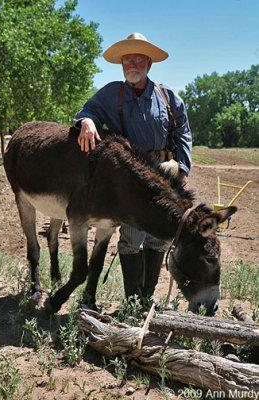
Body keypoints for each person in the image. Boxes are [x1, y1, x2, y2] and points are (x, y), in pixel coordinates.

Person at [73, 33, 192, 307]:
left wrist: (182, 171)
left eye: (139, 59)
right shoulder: (111, 92)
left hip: (164, 172)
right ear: (122, 64)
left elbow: (183, 134)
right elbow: (87, 110)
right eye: (128, 59)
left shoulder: (168, 97)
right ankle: (132, 301)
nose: (133, 64)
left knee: (159, 237)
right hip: (132, 178)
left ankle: (148, 297)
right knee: (130, 237)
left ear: (149, 64)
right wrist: (87, 122)